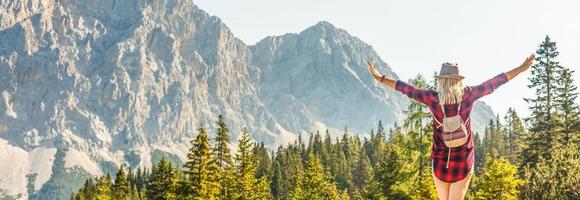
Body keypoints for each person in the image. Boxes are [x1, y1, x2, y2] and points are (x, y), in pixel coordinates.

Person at [367, 53, 535, 200]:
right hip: (463, 162)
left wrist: (380, 78)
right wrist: (521, 68)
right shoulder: (468, 95)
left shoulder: (431, 98)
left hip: (440, 162)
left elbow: (406, 89)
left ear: (442, 81)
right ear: (458, 81)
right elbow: (495, 82)